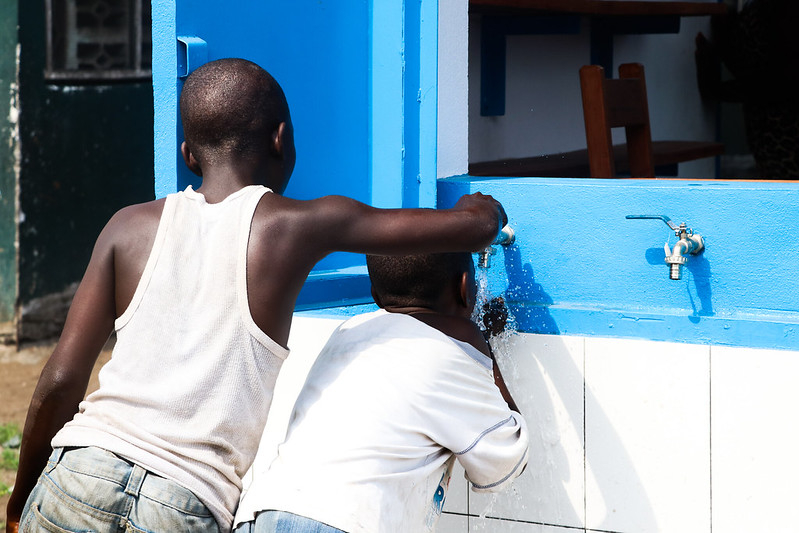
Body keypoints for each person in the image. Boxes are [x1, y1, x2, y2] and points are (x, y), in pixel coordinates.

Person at [6, 58, 508, 533]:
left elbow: (61, 381)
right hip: (185, 501)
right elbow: (470, 229)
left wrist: (20, 499)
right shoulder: (294, 227)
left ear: (188, 154)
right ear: (281, 139)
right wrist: (480, 209)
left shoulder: (127, 228)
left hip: (81, 471)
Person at [233, 252, 529, 533]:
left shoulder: (351, 330)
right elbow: (505, 461)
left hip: (265, 512)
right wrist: (484, 353)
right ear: (465, 288)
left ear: (375, 296)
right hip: (343, 523)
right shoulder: (448, 354)